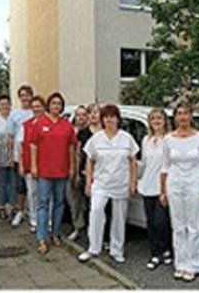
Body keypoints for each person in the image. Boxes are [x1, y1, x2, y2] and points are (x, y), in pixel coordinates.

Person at [78, 104, 139, 264]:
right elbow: (89, 162)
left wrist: (133, 182)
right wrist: (88, 182)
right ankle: (93, 248)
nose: (109, 120)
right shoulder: (96, 139)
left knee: (119, 218)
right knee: (96, 211)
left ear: (118, 119)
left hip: (121, 183)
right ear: (102, 119)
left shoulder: (127, 138)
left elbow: (133, 161)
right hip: (101, 183)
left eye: (112, 117)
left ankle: (116, 250)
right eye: (106, 117)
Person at [160, 100, 199, 282]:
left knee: (194, 226)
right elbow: (164, 167)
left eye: (185, 113)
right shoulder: (168, 139)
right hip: (174, 185)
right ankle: (180, 264)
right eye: (179, 113)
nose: (182, 117)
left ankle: (194, 264)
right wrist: (163, 191)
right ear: (175, 117)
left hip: (194, 184)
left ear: (191, 116)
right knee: (178, 226)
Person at [30, 92, 77, 254]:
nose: (56, 106)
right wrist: (34, 166)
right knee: (43, 204)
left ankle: (55, 233)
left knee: (59, 203)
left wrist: (72, 167)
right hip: (44, 171)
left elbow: (72, 147)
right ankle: (42, 238)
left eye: (59, 104)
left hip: (61, 171)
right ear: (48, 106)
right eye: (53, 103)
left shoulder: (67, 125)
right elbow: (33, 145)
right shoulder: (40, 123)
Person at [138, 108, 172, 270]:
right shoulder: (146, 140)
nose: (156, 121)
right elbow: (144, 163)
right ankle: (155, 253)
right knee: (151, 222)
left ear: (165, 120)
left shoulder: (170, 139)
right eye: (153, 119)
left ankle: (165, 250)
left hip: (163, 187)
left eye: (159, 118)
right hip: (147, 186)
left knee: (161, 222)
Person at [16, 95, 47, 233]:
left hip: (47, 166)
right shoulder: (26, 125)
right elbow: (21, 146)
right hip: (30, 165)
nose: (36, 109)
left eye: (38, 106)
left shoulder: (50, 123)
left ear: (44, 107)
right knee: (32, 193)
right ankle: (34, 220)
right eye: (34, 107)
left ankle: (48, 221)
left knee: (47, 195)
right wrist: (21, 164)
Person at [7, 85, 34, 227]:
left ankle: (32, 212)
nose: (25, 98)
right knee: (20, 186)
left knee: (34, 187)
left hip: (34, 156)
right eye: (22, 95)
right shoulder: (14, 114)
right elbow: (10, 137)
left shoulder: (35, 112)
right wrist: (11, 157)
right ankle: (20, 210)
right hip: (19, 156)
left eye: (27, 95)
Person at [0, 95, 16, 220]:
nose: (5, 106)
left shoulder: (14, 117)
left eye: (7, 104)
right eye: (2, 104)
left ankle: (12, 206)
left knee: (13, 183)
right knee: (1, 183)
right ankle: (1, 206)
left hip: (13, 155)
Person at [66, 105, 89, 240]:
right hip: (73, 169)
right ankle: (77, 227)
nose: (81, 118)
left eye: (84, 115)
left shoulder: (91, 132)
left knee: (87, 203)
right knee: (75, 201)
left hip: (86, 171)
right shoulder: (70, 131)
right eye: (78, 115)